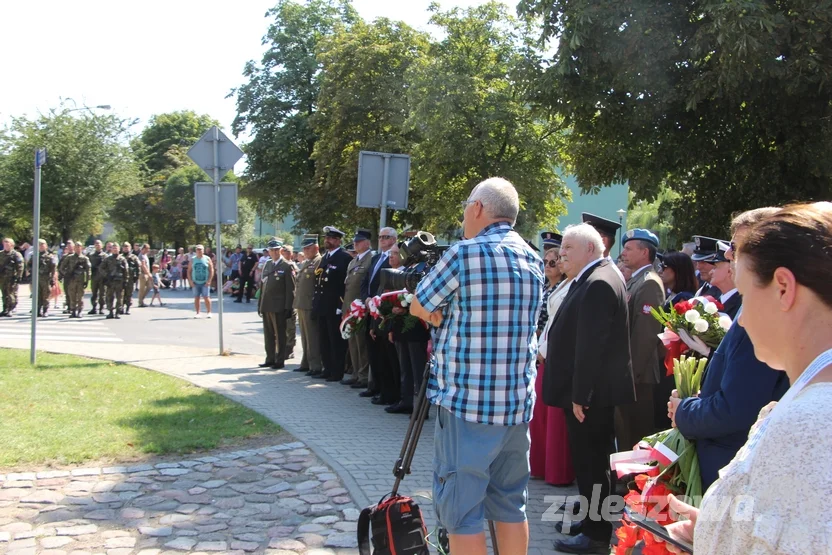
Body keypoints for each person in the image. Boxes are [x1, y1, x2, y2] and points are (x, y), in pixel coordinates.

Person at [656, 202, 832, 555]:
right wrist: (712, 529)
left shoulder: (809, 421)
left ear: (783, 287)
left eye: (748, 296)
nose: (743, 320)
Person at [411, 177, 544, 555]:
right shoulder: (533, 259)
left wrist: (439, 317)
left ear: (478, 208)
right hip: (516, 408)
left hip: (467, 405)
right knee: (510, 504)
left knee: (462, 510)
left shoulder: (463, 254)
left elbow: (419, 304)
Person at [667, 208, 788, 491]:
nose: (728, 256)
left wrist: (684, 410)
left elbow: (736, 410)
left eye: (736, 247)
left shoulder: (761, 315)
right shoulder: (753, 308)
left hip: (729, 464)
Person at [543, 223, 635, 554]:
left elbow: (591, 346)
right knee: (590, 462)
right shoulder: (596, 276)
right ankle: (592, 520)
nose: (561, 253)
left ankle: (596, 537)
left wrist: (581, 395)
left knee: (591, 462)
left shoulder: (597, 282)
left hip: (590, 395)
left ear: (590, 251)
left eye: (568, 247)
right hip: (592, 393)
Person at [616, 229, 665, 451]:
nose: (623, 252)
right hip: (630, 374)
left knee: (634, 432)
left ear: (645, 252)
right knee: (624, 430)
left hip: (639, 376)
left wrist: (631, 375)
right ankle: (625, 482)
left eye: (628, 248)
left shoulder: (649, 283)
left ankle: (632, 484)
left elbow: (645, 335)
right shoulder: (636, 280)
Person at [530, 244, 575, 487]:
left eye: (554, 261)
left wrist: (543, 348)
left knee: (554, 418)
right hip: (545, 351)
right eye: (545, 262)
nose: (550, 266)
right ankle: (540, 466)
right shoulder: (550, 285)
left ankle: (557, 471)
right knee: (541, 415)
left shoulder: (569, 285)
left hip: (556, 355)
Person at [654, 250, 700, 429]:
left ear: (677, 271)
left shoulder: (685, 299)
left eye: (665, 267)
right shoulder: (673, 295)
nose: (660, 270)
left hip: (673, 365)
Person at [361, 227, 399, 394]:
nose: (382, 240)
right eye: (380, 237)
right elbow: (366, 282)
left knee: (384, 352)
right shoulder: (376, 258)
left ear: (394, 240)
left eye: (386, 237)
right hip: (370, 308)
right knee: (372, 350)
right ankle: (374, 386)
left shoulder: (394, 259)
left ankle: (385, 389)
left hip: (383, 311)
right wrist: (367, 298)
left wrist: (376, 302)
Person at [312, 226, 351, 381]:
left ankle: (336, 371)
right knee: (324, 339)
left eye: (330, 238)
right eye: (326, 238)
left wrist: (340, 306)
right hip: (322, 305)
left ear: (337, 240)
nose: (327, 241)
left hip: (335, 305)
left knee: (336, 341)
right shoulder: (325, 257)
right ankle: (327, 368)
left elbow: (344, 285)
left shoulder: (344, 258)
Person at [341, 230, 373, 386]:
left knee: (361, 343)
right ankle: (355, 372)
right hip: (350, 308)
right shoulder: (353, 261)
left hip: (361, 308)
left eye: (359, 241)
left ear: (367, 242)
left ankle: (364, 375)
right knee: (352, 342)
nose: (356, 244)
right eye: (355, 241)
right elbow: (347, 287)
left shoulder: (370, 259)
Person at [258, 239, 296, 369]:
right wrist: (260, 305)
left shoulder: (286, 266)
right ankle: (270, 358)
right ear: (268, 251)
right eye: (271, 250)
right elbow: (263, 286)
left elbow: (291, 289)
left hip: (279, 306)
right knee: (268, 334)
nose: (274, 252)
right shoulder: (267, 264)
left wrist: (288, 307)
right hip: (267, 304)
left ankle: (279, 360)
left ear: (281, 250)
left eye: (276, 250)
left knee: (280, 335)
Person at [294, 235, 323, 375]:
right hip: (302, 304)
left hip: (310, 304)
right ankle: (305, 362)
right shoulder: (308, 262)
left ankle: (315, 365)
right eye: (304, 248)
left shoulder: (318, 261)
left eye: (308, 248)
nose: (305, 250)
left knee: (312, 337)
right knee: (305, 337)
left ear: (316, 247)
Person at [581, 213, 625, 283]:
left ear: (602, 241)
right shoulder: (598, 270)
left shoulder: (605, 276)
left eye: (586, 238)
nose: (582, 243)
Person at [705, 243, 742, 320]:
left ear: (729, 271)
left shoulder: (741, 304)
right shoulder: (715, 299)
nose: (710, 272)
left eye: (715, 267)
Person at [27, 239, 56, 318]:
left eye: (43, 245)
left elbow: (53, 269)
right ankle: (37, 310)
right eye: (39, 245)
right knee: (37, 295)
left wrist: (52, 279)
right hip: (36, 279)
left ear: (46, 246)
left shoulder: (50, 257)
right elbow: (29, 265)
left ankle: (45, 310)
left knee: (45, 295)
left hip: (46, 279)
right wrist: (31, 271)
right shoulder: (34, 256)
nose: (41, 246)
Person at [101, 242, 128, 319]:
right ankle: (110, 312)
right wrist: (106, 275)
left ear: (119, 249)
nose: (115, 250)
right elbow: (101, 268)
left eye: (116, 248)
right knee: (109, 296)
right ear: (111, 250)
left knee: (120, 297)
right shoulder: (107, 259)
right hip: (111, 281)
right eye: (113, 248)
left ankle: (117, 312)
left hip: (119, 281)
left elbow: (126, 270)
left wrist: (126, 280)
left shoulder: (122, 259)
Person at [281, 245, 299, 358]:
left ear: (291, 254)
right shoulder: (278, 265)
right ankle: (281, 348)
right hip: (280, 301)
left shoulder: (292, 266)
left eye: (288, 252)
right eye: (284, 252)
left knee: (290, 327)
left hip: (291, 301)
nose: (286, 254)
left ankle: (289, 348)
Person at [0, 238, 24, 317]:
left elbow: (20, 267)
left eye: (8, 243)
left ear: (12, 245)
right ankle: (5, 309)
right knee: (4, 294)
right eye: (4, 243)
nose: (6, 245)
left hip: (12, 278)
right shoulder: (1, 254)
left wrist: (18, 276)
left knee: (11, 294)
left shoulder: (16, 255)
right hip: (2, 278)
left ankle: (11, 308)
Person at [189, 245, 214, 318]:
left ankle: (209, 312)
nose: (199, 251)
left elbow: (211, 270)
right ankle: (197, 313)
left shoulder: (207, 258)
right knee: (197, 297)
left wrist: (209, 280)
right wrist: (190, 281)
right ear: (196, 251)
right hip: (195, 281)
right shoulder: (193, 259)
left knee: (206, 297)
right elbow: (189, 271)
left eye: (200, 250)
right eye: (198, 250)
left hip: (205, 282)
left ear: (203, 250)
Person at [66, 242, 90, 318]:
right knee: (72, 296)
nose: (77, 248)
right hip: (72, 280)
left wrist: (87, 280)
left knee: (80, 297)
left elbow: (88, 270)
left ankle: (80, 311)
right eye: (76, 247)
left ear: (81, 248)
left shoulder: (84, 258)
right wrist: (67, 275)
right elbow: (61, 267)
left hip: (80, 280)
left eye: (79, 247)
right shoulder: (69, 257)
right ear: (74, 248)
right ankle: (73, 311)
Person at [88, 240, 107, 314]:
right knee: (94, 293)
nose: (97, 245)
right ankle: (94, 307)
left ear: (101, 246)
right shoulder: (91, 255)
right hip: (94, 277)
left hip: (102, 277)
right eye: (96, 244)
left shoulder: (105, 256)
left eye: (99, 244)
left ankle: (101, 308)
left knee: (102, 293)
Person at [121, 242, 140, 315]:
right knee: (121, 294)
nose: (126, 248)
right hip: (122, 278)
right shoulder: (120, 257)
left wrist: (137, 276)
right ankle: (121, 307)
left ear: (130, 248)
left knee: (129, 294)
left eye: (127, 247)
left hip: (130, 278)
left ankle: (128, 308)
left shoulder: (134, 257)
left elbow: (138, 267)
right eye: (124, 247)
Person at [57, 240, 75, 314]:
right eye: (68, 246)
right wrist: (62, 275)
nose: (70, 247)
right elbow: (60, 267)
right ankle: (69, 306)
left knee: (74, 292)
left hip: (75, 278)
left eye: (71, 245)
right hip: (67, 277)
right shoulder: (65, 257)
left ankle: (74, 306)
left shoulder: (77, 256)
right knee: (67, 292)